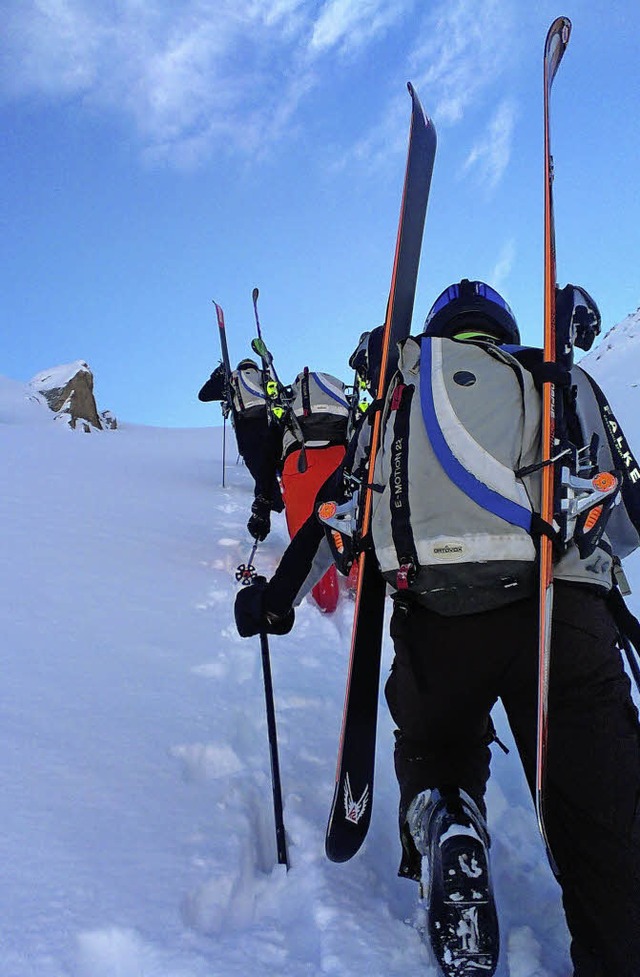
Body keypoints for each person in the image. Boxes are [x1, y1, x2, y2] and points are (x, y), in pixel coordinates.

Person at [234, 279, 640, 977]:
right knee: (605, 832)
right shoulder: (556, 381)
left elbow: (336, 519)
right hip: (559, 610)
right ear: (504, 330)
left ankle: (445, 814)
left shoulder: (396, 403)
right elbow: (628, 516)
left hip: (435, 617)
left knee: (436, 745)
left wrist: (274, 600)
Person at [198, 358, 283, 539]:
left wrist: (218, 376)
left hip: (248, 432)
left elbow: (204, 395)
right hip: (274, 429)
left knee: (263, 476)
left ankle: (262, 519)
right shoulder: (265, 377)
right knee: (279, 471)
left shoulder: (232, 381)